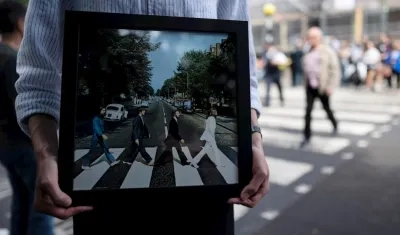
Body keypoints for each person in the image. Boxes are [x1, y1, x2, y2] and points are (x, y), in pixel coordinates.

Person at [14, 1, 269, 234]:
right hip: (105, 208)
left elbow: (243, 73)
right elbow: (39, 81)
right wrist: (46, 157)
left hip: (207, 204)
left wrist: (253, 140)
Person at [0, 1, 54, 235]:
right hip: (24, 145)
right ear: (23, 24)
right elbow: (24, 106)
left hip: (4, 145)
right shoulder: (13, 60)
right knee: (41, 211)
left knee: (20, 203)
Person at [301, 27, 340, 148]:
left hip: (322, 86)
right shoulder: (308, 51)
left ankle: (335, 124)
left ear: (319, 38)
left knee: (327, 108)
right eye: (309, 37)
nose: (311, 40)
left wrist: (330, 87)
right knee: (308, 111)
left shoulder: (327, 51)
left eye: (314, 37)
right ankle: (307, 135)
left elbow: (335, 70)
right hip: (310, 86)